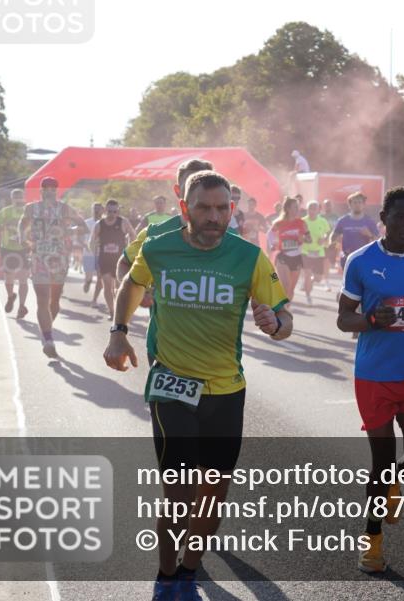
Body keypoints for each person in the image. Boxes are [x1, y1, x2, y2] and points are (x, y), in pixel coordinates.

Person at [103, 170, 293, 601]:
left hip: (226, 392)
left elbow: (285, 319)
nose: (213, 217)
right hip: (172, 385)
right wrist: (118, 332)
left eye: (222, 208)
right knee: (180, 493)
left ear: (232, 209)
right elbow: (131, 283)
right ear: (184, 208)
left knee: (212, 494)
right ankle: (166, 575)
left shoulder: (248, 257)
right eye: (204, 208)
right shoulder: (158, 247)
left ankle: (189, 570)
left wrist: (275, 324)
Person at [337, 187, 404, 573]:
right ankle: (372, 541)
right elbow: (343, 318)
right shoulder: (360, 261)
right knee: (381, 463)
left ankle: (393, 484)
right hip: (374, 376)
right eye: (402, 217)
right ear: (384, 219)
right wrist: (370, 320)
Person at [118, 158, 218, 363]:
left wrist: (273, 317)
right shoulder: (155, 233)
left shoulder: (230, 236)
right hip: (163, 345)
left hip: (213, 347)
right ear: (178, 190)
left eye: (205, 184)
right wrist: (140, 292)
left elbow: (263, 281)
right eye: (190, 184)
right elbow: (124, 264)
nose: (198, 191)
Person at [19, 177, 87, 358]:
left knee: (54, 302)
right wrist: (22, 238)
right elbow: (22, 224)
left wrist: (69, 231)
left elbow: (82, 225)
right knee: (42, 299)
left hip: (59, 260)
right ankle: (48, 339)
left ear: (56, 191)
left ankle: (46, 329)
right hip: (39, 259)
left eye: (53, 189)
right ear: (41, 191)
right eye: (46, 188)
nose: (50, 191)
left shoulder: (65, 208)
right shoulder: (31, 208)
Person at [91, 199, 135, 320]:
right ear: (105, 210)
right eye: (110, 211)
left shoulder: (123, 222)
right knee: (107, 286)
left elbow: (133, 234)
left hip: (119, 260)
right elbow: (91, 241)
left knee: (119, 287)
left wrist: (130, 249)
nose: (112, 214)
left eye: (115, 211)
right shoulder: (99, 224)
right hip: (104, 259)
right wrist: (95, 252)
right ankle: (112, 311)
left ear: (118, 211)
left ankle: (120, 309)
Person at [0, 189, 30, 318]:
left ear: (23, 198)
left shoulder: (28, 211)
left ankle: (21, 307)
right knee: (9, 279)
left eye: (20, 197)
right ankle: (10, 296)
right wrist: (4, 226)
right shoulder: (5, 212)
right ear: (12, 199)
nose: (18, 199)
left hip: (24, 248)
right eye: (15, 197)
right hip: (8, 248)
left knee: (24, 279)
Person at [268, 197, 311, 303]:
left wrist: (303, 239)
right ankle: (278, 307)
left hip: (297, 258)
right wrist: (273, 244)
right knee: (286, 286)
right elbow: (270, 234)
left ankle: (285, 309)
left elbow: (309, 239)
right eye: (295, 207)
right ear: (288, 208)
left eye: (298, 207)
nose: (297, 209)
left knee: (291, 290)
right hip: (283, 256)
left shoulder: (301, 223)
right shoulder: (279, 223)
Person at [330, 192, 379, 272]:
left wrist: (369, 234)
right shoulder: (343, 221)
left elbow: (378, 241)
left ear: (363, 205)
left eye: (360, 202)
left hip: (363, 257)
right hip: (347, 257)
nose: (357, 205)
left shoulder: (369, 221)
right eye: (355, 202)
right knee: (348, 279)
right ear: (349, 205)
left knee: (361, 279)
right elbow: (333, 238)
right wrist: (335, 239)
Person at [301, 200, 332, 304]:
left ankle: (309, 282)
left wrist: (324, 238)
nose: (312, 211)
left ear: (318, 210)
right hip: (305, 251)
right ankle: (308, 296)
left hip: (319, 252)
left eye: (314, 209)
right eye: (310, 208)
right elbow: (298, 234)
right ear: (307, 209)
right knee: (307, 274)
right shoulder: (302, 221)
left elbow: (328, 233)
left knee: (318, 278)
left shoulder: (322, 221)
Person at [82, 202, 104, 301]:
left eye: (99, 208)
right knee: (89, 277)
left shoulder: (105, 222)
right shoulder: (86, 222)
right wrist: (84, 245)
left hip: (101, 254)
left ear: (102, 210)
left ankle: (95, 299)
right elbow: (80, 236)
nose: (96, 210)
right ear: (92, 210)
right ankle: (87, 282)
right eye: (95, 208)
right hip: (88, 253)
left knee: (100, 277)